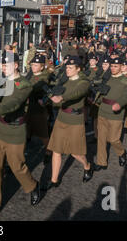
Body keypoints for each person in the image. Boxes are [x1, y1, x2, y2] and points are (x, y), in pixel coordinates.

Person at [0, 52, 41, 214]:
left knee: (17, 166)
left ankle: (32, 186)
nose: (3, 68)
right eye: (2, 65)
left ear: (16, 65)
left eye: (6, 65)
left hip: (15, 131)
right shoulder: (1, 82)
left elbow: (14, 104)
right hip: (0, 129)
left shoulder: (24, 85)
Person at [45, 56, 93, 190]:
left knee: (75, 152)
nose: (67, 70)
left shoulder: (84, 82)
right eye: (66, 67)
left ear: (78, 69)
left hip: (75, 120)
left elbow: (76, 93)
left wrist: (62, 97)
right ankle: (54, 180)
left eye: (71, 68)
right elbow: (56, 90)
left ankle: (87, 166)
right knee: (56, 149)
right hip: (62, 117)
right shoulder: (64, 80)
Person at [94, 58, 127, 171]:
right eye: (112, 66)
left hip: (116, 113)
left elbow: (126, 96)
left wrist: (119, 104)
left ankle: (121, 152)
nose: (113, 68)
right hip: (102, 110)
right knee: (101, 138)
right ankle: (102, 162)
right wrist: (96, 100)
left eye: (116, 66)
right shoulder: (106, 78)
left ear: (121, 66)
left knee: (113, 139)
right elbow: (101, 92)